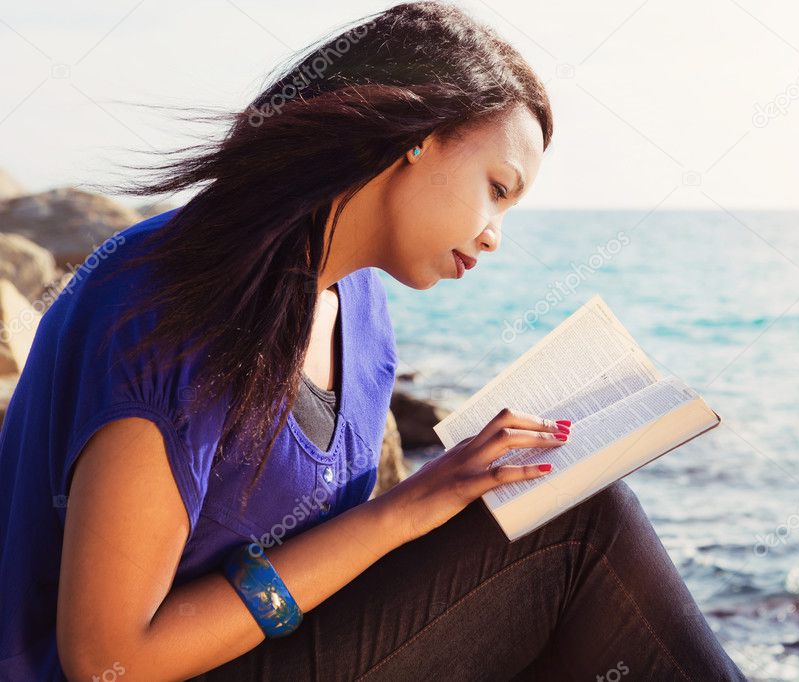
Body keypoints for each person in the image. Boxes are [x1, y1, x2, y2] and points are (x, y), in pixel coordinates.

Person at [0, 2, 748, 680]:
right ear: (415, 138)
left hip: (282, 651)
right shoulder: (169, 301)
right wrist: (403, 512)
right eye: (497, 187)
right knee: (580, 527)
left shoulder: (361, 310)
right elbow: (112, 659)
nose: (494, 236)